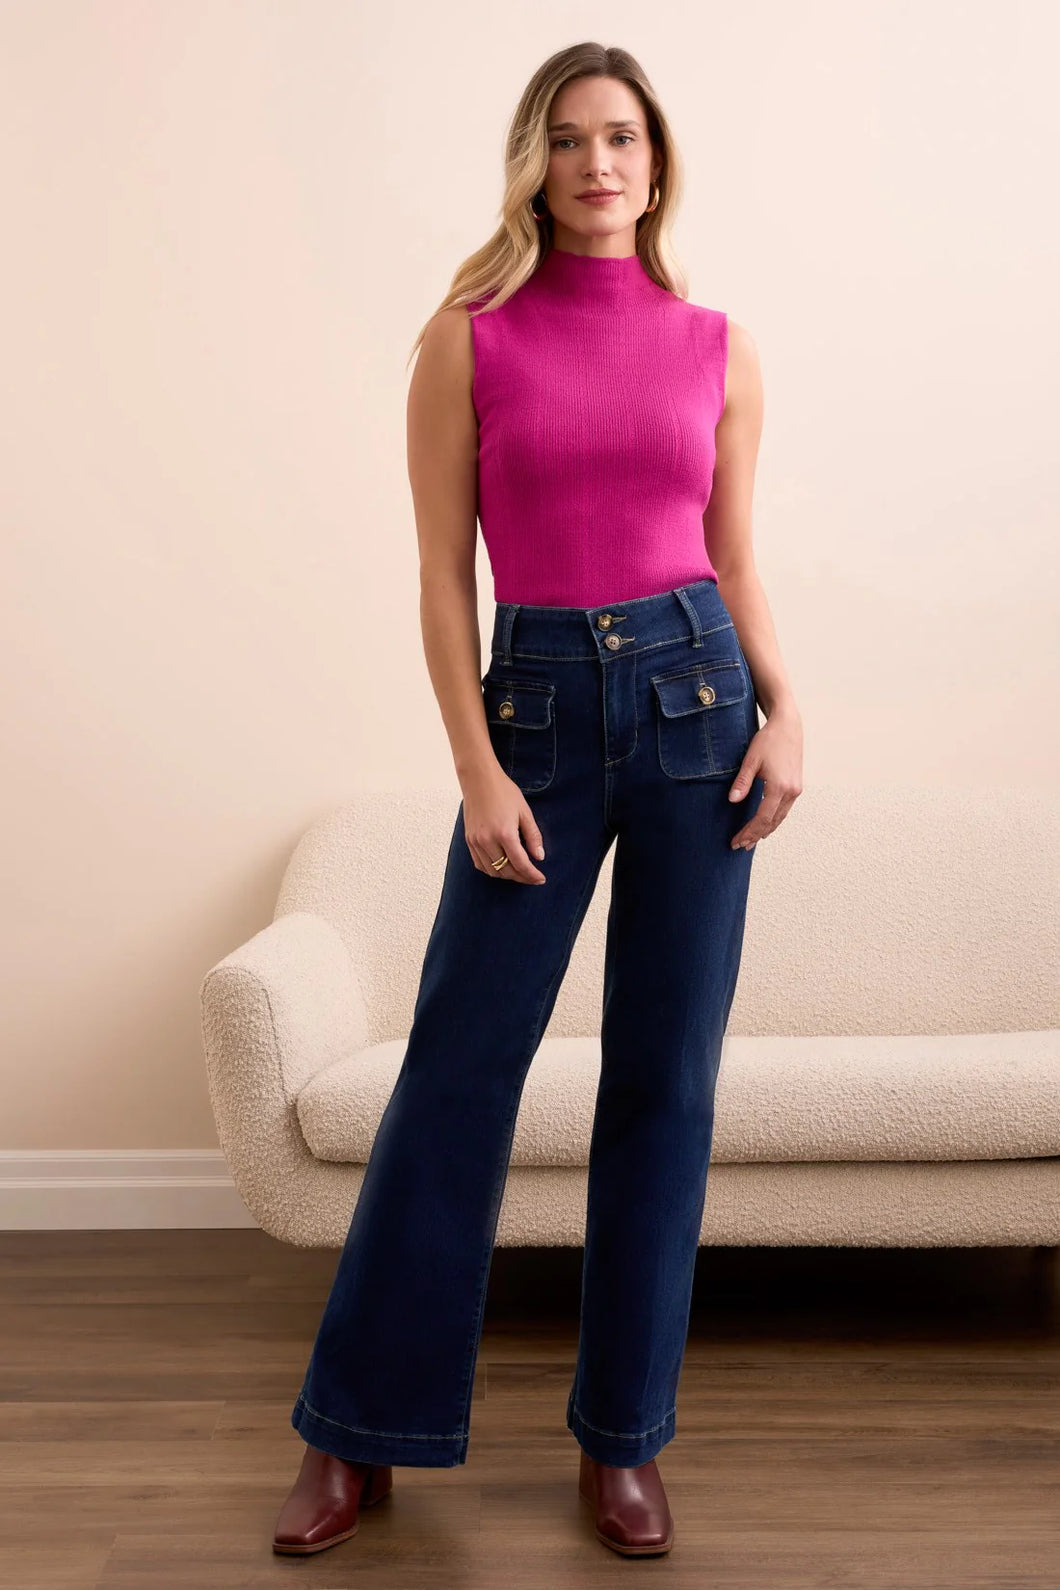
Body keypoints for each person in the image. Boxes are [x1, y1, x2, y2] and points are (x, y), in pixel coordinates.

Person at [272, 40, 803, 1561]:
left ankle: (622, 1441)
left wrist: (793, 708)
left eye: (621, 137)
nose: (596, 163)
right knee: (456, 1071)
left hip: (702, 705)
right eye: (568, 140)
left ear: (657, 161)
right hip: (544, 712)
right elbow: (443, 579)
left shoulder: (720, 345)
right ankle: (354, 1431)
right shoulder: (469, 339)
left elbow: (737, 553)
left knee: (665, 1083)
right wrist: (476, 763)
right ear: (533, 163)